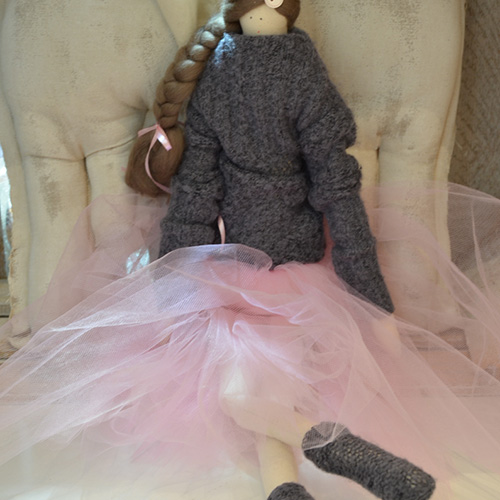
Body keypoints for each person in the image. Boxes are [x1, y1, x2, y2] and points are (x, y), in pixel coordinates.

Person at [0, 1, 499, 499]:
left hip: (286, 292)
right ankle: (307, 474)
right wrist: (170, 295)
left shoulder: (245, 76)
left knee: (243, 396)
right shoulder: (280, 76)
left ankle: (325, 465)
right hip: (242, 284)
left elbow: (225, 197)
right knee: (254, 396)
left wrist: (373, 302)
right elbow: (220, 196)